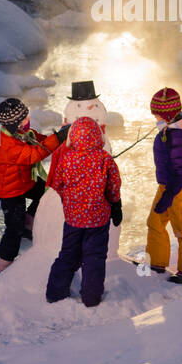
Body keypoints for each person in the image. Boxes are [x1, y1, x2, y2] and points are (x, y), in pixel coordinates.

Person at [45, 116, 123, 307]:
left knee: (68, 254)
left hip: (73, 219)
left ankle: (55, 293)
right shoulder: (105, 159)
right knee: (94, 257)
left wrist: (69, 200)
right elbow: (113, 186)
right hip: (98, 220)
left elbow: (57, 183)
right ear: (98, 136)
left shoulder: (66, 158)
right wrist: (116, 205)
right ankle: (91, 297)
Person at [0, 97, 63, 272]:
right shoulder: (7, 145)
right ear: (14, 124)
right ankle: (5, 262)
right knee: (14, 228)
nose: (27, 120)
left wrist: (57, 139)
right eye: (23, 119)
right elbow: (34, 154)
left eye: (27, 115)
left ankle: (29, 221)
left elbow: (38, 141)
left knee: (49, 190)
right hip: (10, 190)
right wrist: (58, 139)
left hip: (24, 180)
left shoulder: (21, 133)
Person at [146, 87, 182, 283]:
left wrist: (168, 196)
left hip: (180, 188)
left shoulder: (181, 136)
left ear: (167, 114)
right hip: (168, 185)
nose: (154, 116)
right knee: (155, 222)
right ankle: (156, 263)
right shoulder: (172, 130)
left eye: (157, 113)